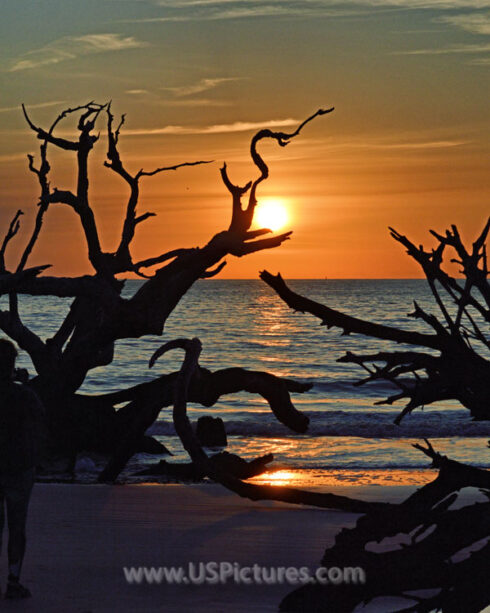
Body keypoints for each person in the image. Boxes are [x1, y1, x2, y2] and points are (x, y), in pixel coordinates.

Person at [0, 338, 45, 599]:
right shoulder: (23, 394)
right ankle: (13, 580)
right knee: (17, 527)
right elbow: (40, 423)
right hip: (18, 466)